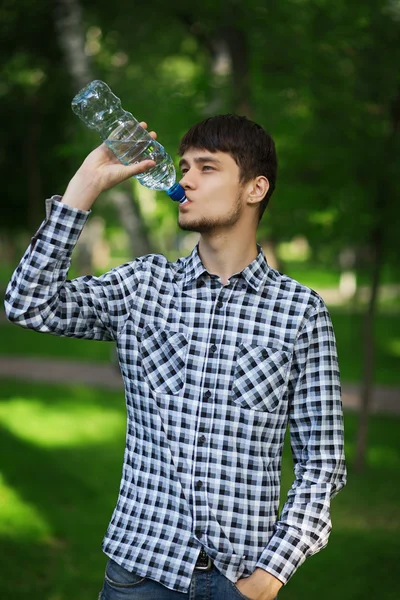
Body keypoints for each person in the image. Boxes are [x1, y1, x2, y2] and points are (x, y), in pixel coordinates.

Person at [5, 114, 346, 600]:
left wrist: (271, 574)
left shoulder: (301, 313)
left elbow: (322, 463)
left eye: (207, 168)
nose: (184, 179)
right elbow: (27, 303)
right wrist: (85, 186)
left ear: (255, 188)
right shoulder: (143, 286)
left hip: (242, 581)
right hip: (140, 575)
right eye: (183, 166)